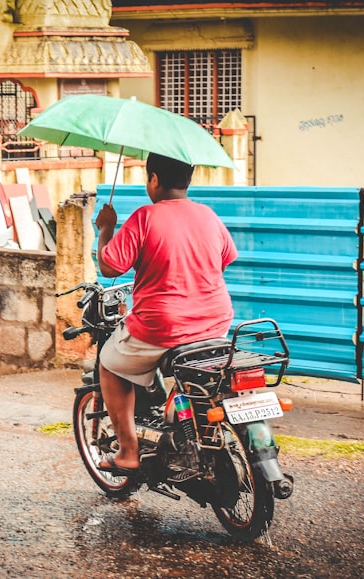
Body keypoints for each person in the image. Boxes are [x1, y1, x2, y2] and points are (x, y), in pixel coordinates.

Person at [93, 153, 238, 475]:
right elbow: (225, 258)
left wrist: (106, 228)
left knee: (110, 363)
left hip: (162, 324)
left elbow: (110, 266)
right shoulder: (208, 215)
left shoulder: (145, 216)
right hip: (216, 320)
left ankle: (128, 451)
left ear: (154, 179)